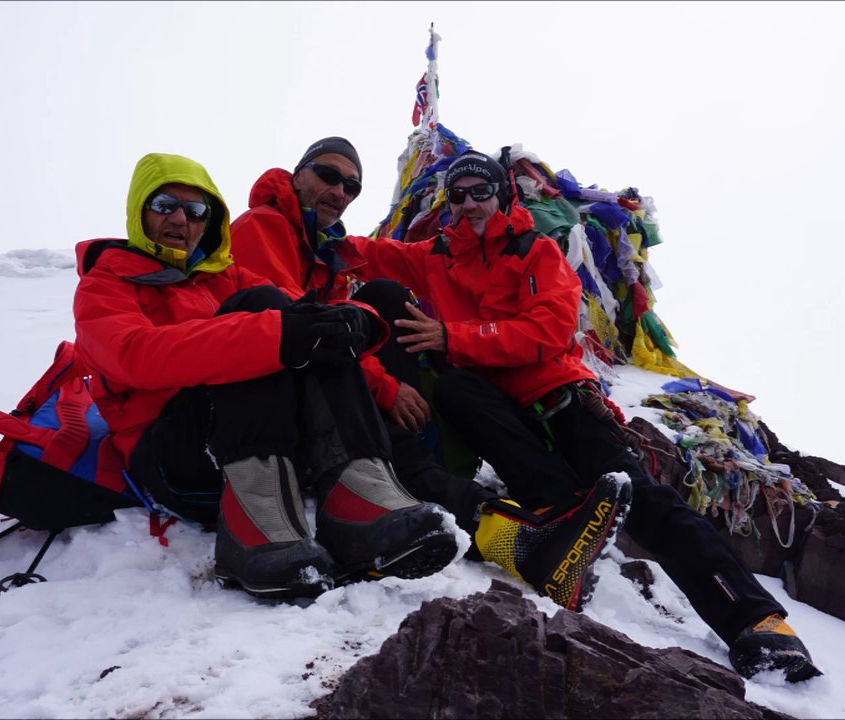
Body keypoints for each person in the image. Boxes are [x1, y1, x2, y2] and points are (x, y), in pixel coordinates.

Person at [343, 149, 822, 682]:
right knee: (455, 388)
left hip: (559, 396)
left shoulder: (536, 252)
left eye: (482, 190)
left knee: (646, 504)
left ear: (503, 193)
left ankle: (758, 623)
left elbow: (549, 329)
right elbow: (363, 254)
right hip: (498, 412)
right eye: (458, 195)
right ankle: (560, 532)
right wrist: (306, 223)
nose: (470, 203)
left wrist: (454, 336)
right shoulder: (436, 256)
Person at [229, 138, 631, 613]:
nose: (340, 191)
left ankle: (525, 531)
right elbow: (300, 327)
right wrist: (385, 384)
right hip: (277, 401)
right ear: (298, 175)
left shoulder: (324, 251)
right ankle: (513, 533)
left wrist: (427, 353)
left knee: (385, 305)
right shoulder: (263, 227)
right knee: (398, 380)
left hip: (532, 381)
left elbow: (550, 327)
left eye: (352, 186)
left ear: (503, 195)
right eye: (328, 176)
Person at [71, 151, 461, 600]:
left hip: (255, 445)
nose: (181, 219)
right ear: (140, 211)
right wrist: (273, 334)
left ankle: (358, 501)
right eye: (165, 206)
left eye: (196, 211)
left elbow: (297, 309)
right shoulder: (106, 284)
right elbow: (134, 356)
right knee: (262, 319)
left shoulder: (227, 276)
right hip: (175, 458)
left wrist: (360, 320)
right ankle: (251, 533)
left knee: (309, 325)